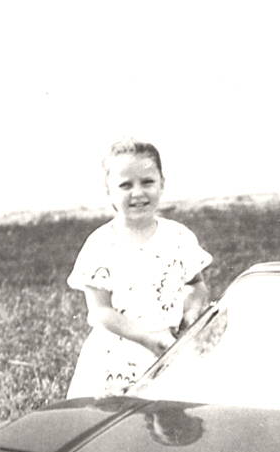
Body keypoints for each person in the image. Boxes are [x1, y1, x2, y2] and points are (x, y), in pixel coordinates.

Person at [66, 139, 212, 398]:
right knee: (118, 416)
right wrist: (147, 338)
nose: (138, 193)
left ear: (162, 183)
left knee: (174, 411)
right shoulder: (101, 244)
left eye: (147, 182)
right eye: (125, 185)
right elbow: (100, 311)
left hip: (170, 345)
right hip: (118, 354)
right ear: (109, 190)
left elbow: (196, 285)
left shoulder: (178, 237)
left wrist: (191, 314)